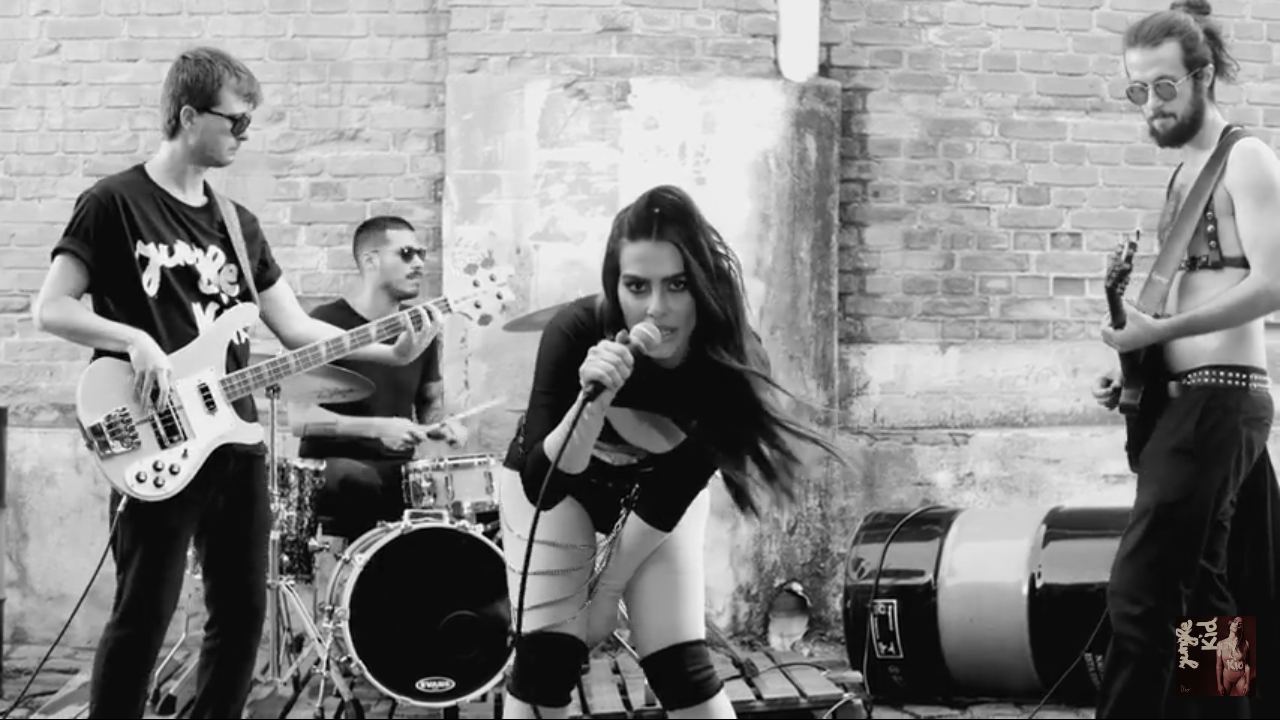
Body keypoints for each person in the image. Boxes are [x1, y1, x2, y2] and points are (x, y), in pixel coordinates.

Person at [31, 47, 437, 719]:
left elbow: (296, 328)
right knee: (144, 614)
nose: (245, 135)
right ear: (189, 116)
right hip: (158, 436)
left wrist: (388, 353)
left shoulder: (238, 225)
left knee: (243, 614)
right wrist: (135, 340)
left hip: (235, 439)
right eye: (236, 121)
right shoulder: (114, 203)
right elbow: (52, 308)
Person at [496, 184, 842, 719]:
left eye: (677, 285)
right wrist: (592, 404)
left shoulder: (731, 364)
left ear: (703, 285)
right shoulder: (576, 331)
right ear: (615, 286)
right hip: (557, 490)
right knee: (546, 661)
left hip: (655, 498)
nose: (656, 309)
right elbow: (543, 485)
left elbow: (671, 492)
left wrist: (606, 595)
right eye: (637, 286)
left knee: (680, 667)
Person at [1093, 2, 1280, 718]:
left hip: (1220, 401)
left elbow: (1272, 283)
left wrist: (1163, 335)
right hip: (1189, 399)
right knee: (1208, 596)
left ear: (1203, 77)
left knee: (1139, 594)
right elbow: (1176, 304)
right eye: (1137, 90)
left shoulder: (1245, 158)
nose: (1151, 103)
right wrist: (1139, 361)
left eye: (1164, 86)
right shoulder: (1183, 177)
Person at [289, 215, 466, 542]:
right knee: (360, 480)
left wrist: (441, 426)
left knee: (450, 499)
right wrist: (378, 428)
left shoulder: (421, 328)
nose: (419, 264)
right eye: (406, 254)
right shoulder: (324, 324)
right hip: (333, 469)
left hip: (397, 471)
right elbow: (300, 419)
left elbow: (429, 402)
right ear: (371, 261)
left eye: (421, 254)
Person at [1217, 617, 1251, 697]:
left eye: (1240, 624)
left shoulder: (1245, 644)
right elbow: (1219, 666)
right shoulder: (1220, 644)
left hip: (1241, 677)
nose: (1237, 624)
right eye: (1235, 621)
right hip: (1226, 677)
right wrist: (1219, 684)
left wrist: (1247, 683)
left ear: (1241, 628)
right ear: (1230, 623)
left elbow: (1247, 666)